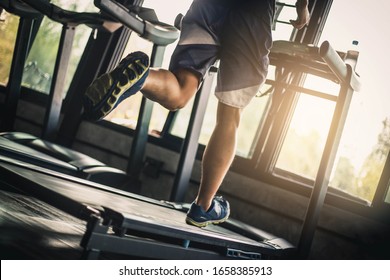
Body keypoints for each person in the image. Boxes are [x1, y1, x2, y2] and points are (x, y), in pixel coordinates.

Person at [83, 0, 310, 227]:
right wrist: (303, 6)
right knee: (229, 119)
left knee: (180, 92)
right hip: (253, 13)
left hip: (207, 7)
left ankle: (143, 78)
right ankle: (203, 206)